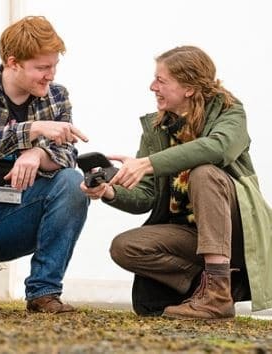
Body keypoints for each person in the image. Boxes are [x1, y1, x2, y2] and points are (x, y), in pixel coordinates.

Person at [81, 45, 272, 320]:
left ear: (189, 88)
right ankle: (214, 286)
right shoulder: (157, 129)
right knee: (125, 247)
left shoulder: (230, 113)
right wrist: (110, 191)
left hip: (235, 232)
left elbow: (217, 148)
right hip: (189, 234)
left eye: (161, 80)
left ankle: (217, 294)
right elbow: (145, 196)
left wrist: (148, 163)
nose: (152, 86)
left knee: (203, 173)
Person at [0, 16, 89, 313]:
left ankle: (43, 293)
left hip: (21, 210)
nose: (51, 75)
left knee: (73, 182)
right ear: (13, 63)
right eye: (42, 67)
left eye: (54, 66)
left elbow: (66, 154)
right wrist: (32, 130)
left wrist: (37, 155)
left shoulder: (58, 96)